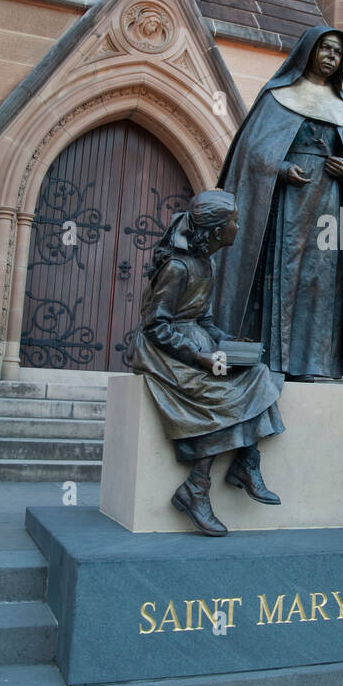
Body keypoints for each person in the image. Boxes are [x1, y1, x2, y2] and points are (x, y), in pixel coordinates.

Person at [211, 25, 343, 379]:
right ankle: (273, 361)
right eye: (326, 49)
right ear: (309, 51)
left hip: (329, 206)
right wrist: (283, 168)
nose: (332, 57)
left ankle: (314, 363)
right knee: (282, 277)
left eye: (338, 52)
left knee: (320, 284)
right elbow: (253, 152)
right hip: (286, 205)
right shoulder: (278, 96)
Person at [130, 189, 284, 536]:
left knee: (260, 373)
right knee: (220, 395)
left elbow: (205, 320)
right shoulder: (177, 267)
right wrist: (200, 357)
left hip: (197, 343)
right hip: (166, 352)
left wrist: (229, 344)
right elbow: (156, 325)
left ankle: (246, 462)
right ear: (216, 231)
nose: (238, 225)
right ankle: (196, 487)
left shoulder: (205, 263)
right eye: (234, 221)